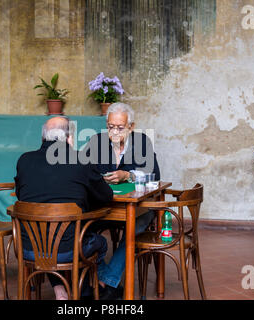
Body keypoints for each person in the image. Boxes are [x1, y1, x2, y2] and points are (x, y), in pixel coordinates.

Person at [14, 116, 113, 300]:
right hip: (69, 251)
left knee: (47, 236)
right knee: (100, 242)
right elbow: (106, 196)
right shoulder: (81, 160)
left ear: (43, 137)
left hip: (28, 248)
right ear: (69, 138)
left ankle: (60, 289)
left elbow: (21, 197)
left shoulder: (24, 161)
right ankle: (94, 287)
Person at [82, 102, 160, 300]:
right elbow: (80, 170)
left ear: (131, 127)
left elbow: (155, 175)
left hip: (138, 208)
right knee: (81, 225)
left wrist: (128, 175)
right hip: (104, 206)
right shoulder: (96, 141)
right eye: (110, 127)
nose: (114, 132)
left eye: (120, 127)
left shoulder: (142, 143)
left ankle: (105, 280)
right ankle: (98, 278)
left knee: (136, 225)